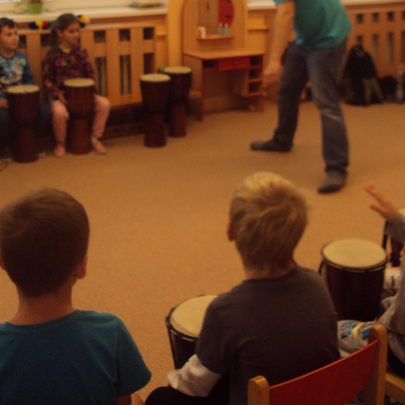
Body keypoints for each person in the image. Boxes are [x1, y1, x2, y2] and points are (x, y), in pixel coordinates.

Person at [146, 172, 339, 405]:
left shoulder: (226, 311)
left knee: (159, 398)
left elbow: (193, 385)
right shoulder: (317, 284)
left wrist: (174, 378)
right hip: (321, 397)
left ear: (231, 231)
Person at [226, 0, 352, 194]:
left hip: (328, 39)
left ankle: (337, 168)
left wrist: (274, 60)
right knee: (287, 90)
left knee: (326, 103)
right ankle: (282, 140)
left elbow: (285, 13)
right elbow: (293, 10)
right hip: (306, 39)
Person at [0, 187, 151, 405]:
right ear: (81, 266)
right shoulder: (109, 332)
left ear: (3, 262)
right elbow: (122, 402)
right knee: (137, 399)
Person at [42, 13, 111, 157]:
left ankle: (95, 138)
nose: (76, 35)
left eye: (77, 31)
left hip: (83, 95)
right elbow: (47, 79)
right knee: (59, 113)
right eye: (71, 31)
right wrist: (57, 94)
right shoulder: (52, 54)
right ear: (60, 33)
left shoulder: (81, 52)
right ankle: (60, 143)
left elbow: (90, 73)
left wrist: (92, 91)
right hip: (62, 96)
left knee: (104, 104)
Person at [365, 184, 405, 377]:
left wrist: (383, 322)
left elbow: (400, 322)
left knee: (341, 334)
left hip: (401, 353)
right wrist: (397, 220)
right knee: (386, 298)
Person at [0, 17, 49, 162]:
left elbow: (29, 79)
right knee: (3, 119)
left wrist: (29, 97)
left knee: (44, 112)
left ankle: (30, 140)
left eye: (16, 33)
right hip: (4, 101)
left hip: (23, 99)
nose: (14, 38)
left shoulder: (22, 58)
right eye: (8, 35)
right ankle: (5, 146)